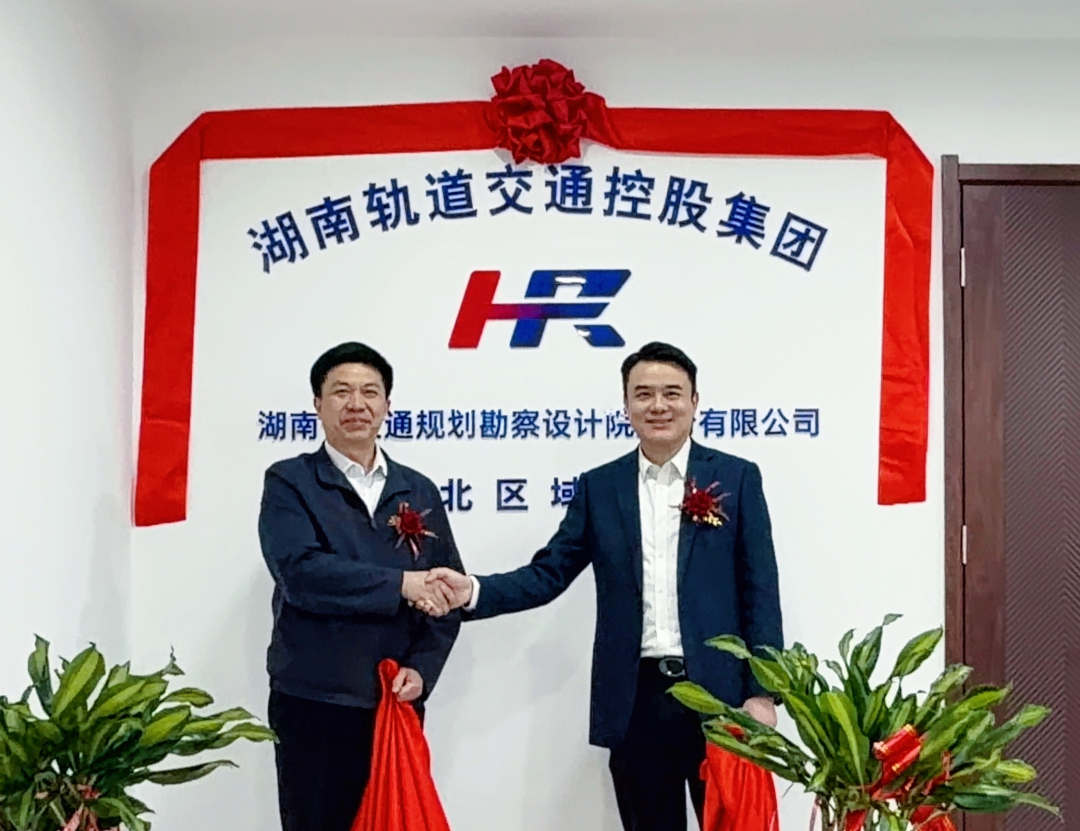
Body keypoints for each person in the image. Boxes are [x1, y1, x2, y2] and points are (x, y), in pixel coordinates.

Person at [423, 341, 783, 831]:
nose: (658, 406)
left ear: (695, 402)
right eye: (644, 394)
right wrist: (473, 591)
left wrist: (763, 693)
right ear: (626, 405)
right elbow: (549, 572)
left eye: (672, 393)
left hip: (722, 698)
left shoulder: (736, 479)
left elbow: (761, 589)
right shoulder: (601, 487)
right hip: (636, 698)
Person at [259, 342, 462, 831]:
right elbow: (301, 573)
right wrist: (400, 584)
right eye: (341, 392)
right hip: (315, 701)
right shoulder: (291, 482)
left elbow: (446, 594)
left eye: (370, 392)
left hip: (395, 701)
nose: (356, 404)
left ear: (387, 405)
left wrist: (422, 669)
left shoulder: (418, 490)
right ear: (317, 404)